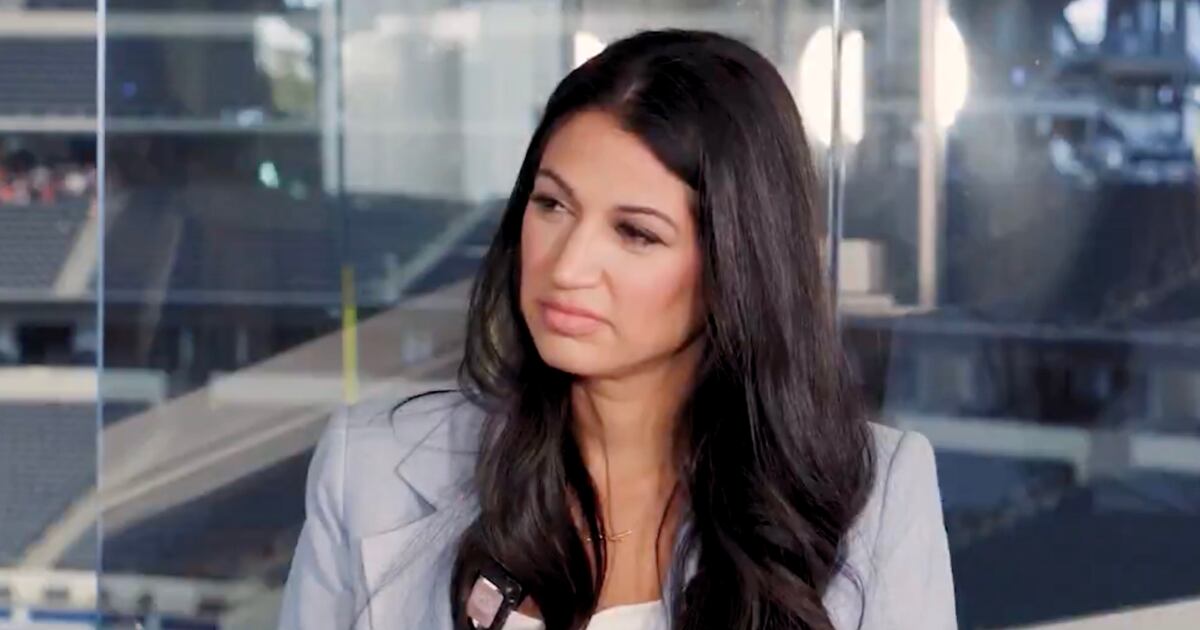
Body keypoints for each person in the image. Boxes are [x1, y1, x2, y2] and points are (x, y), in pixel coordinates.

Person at [278, 29, 956, 630]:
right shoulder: (368, 470)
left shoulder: (877, 499)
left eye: (635, 233)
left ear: (736, 263)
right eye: (552, 204)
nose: (567, 266)